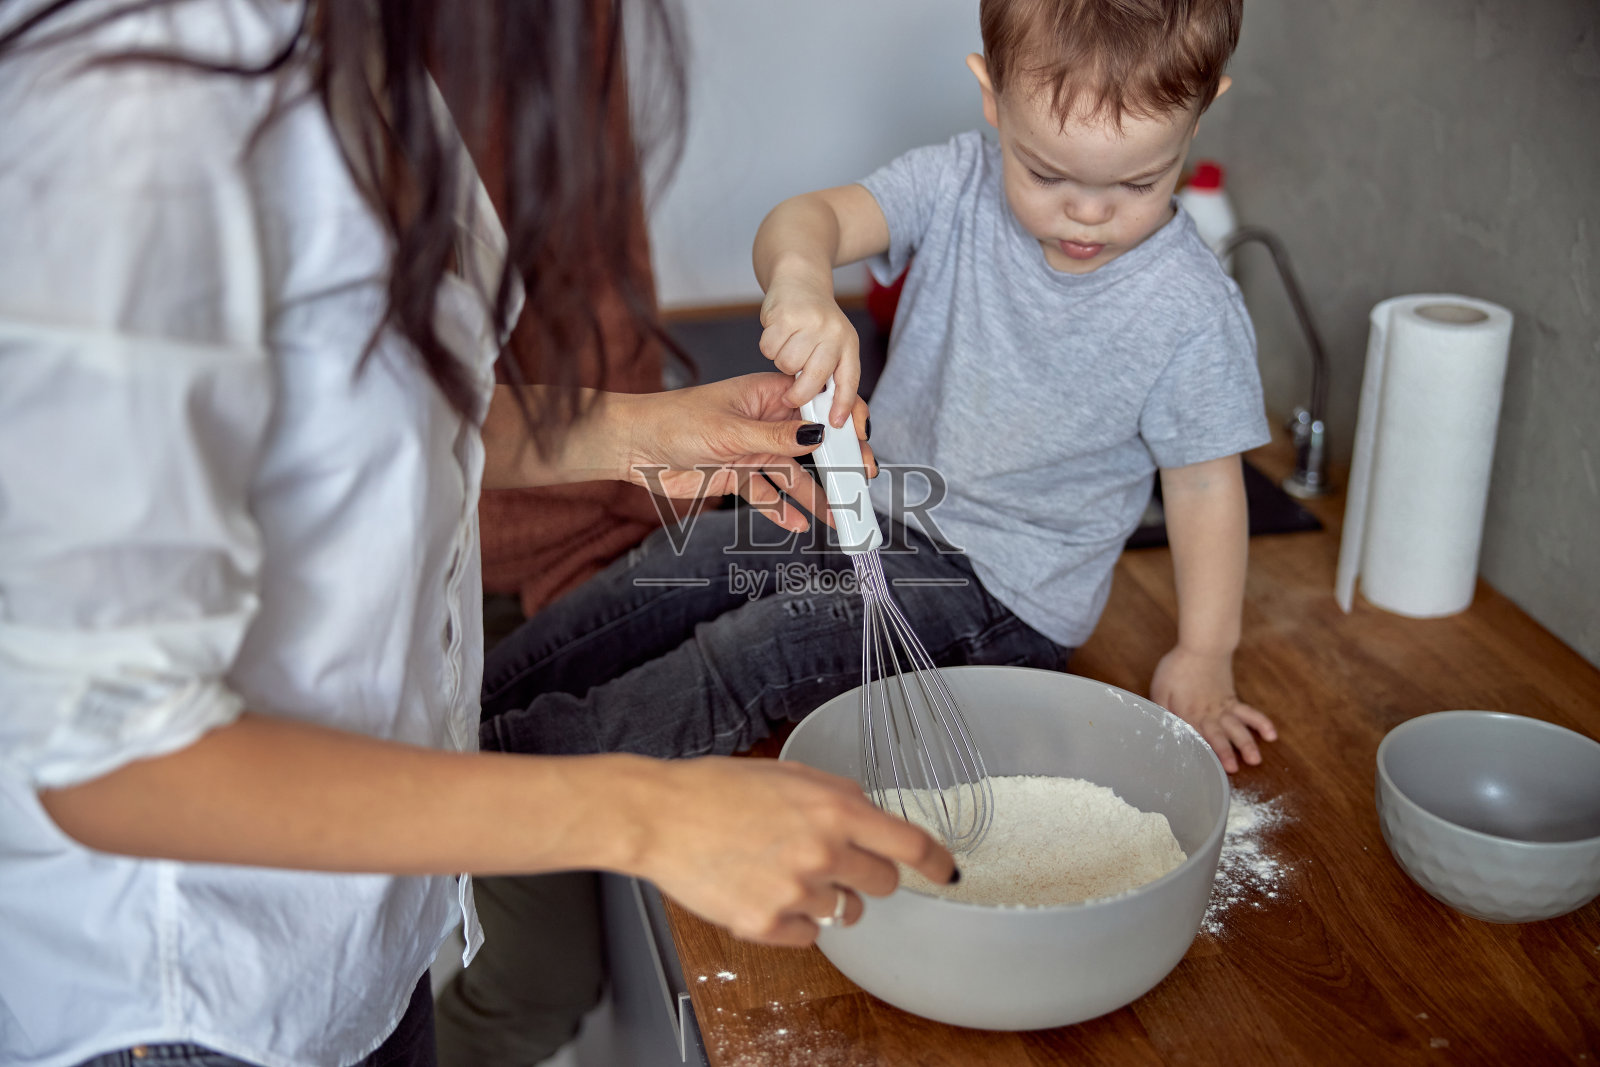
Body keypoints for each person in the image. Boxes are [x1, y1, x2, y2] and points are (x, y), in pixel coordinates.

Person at [0, 3, 957, 1066]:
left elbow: (360, 418)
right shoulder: (137, 121)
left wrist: (637, 433)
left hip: (356, 946)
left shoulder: (362, 49)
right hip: (193, 1001)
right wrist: (651, 815)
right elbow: (115, 760)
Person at [481, 0, 1276, 778]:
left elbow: (1207, 487)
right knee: (677, 567)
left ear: (1202, 111)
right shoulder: (955, 182)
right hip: (866, 509)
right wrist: (801, 280)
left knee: (758, 648)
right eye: (1045, 172)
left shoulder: (1193, 310)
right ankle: (455, 717)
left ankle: (502, 774)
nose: (1088, 214)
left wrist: (1206, 651)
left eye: (1138, 183)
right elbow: (807, 218)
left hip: (999, 595)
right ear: (993, 97)